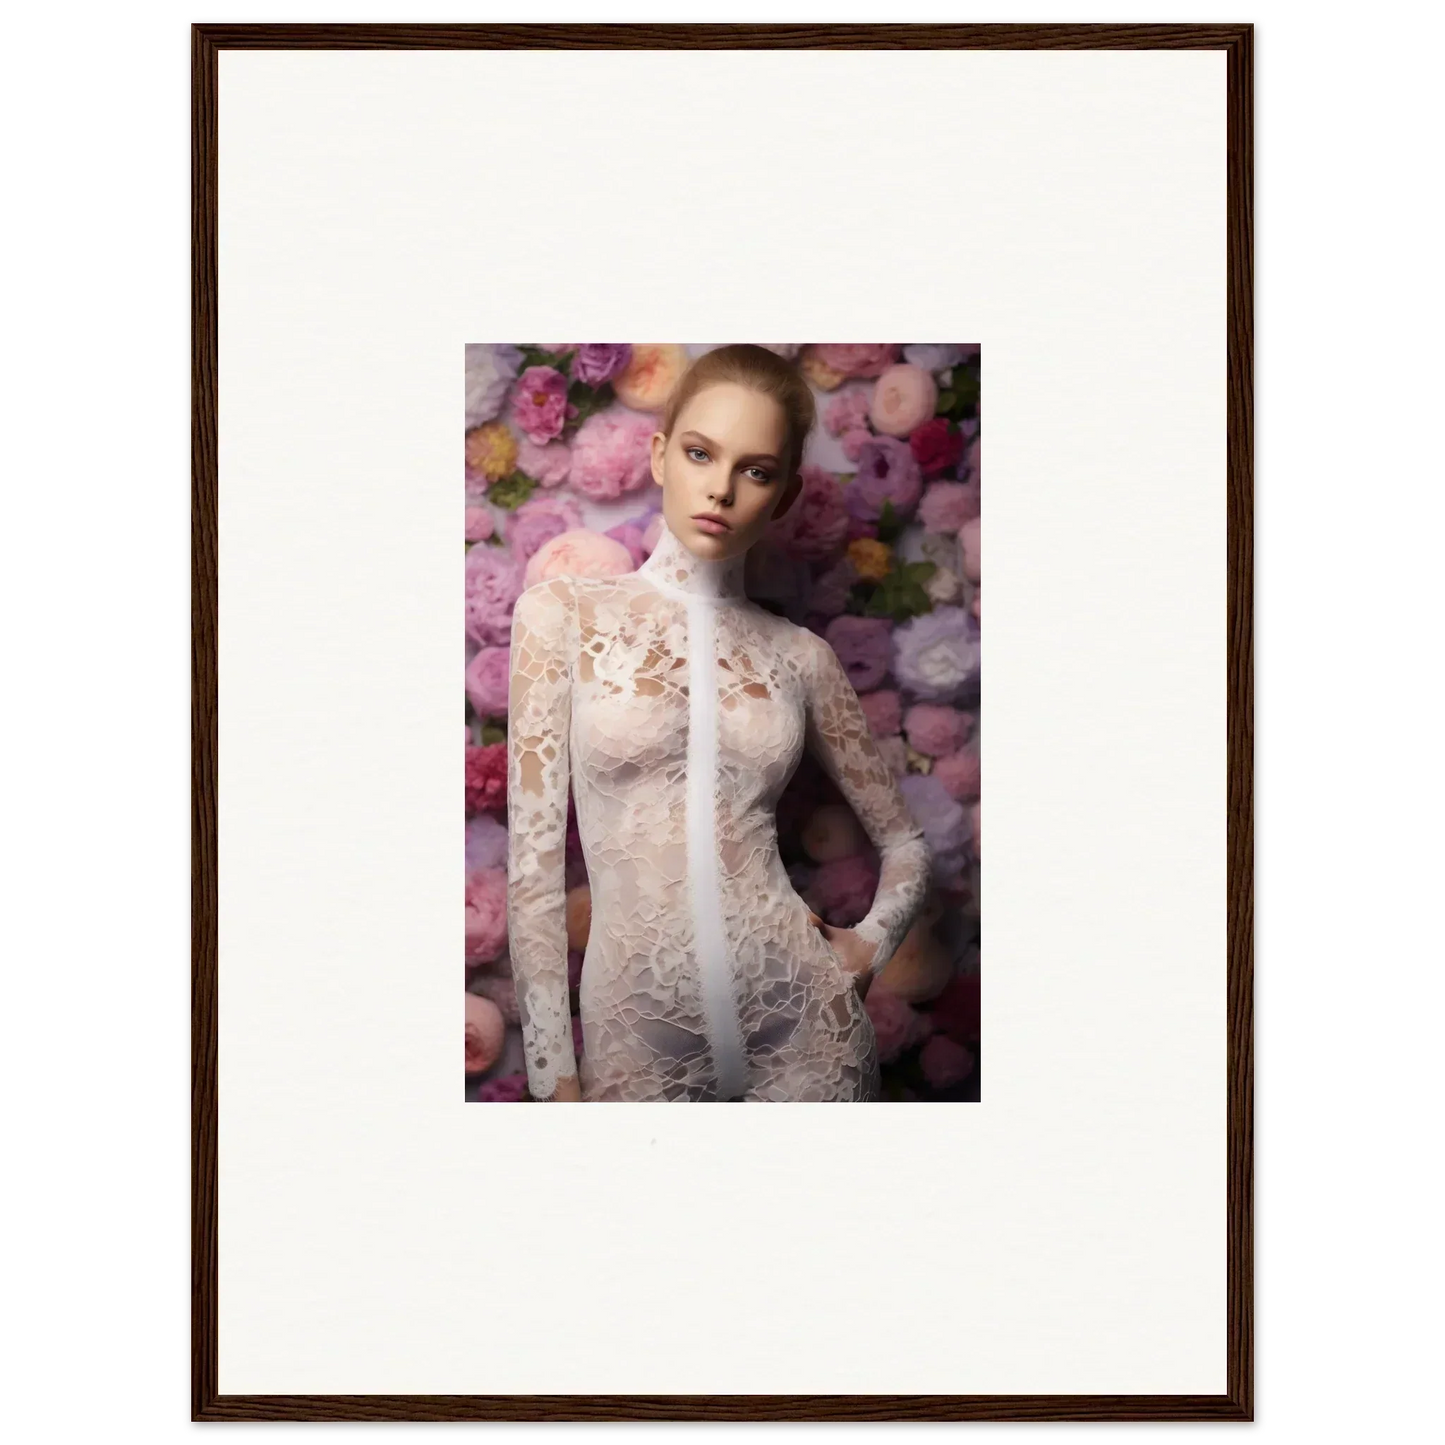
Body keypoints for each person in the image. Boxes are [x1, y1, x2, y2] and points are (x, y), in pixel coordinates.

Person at [506, 344, 931, 1102]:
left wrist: (868, 944)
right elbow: (533, 872)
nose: (723, 488)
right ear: (661, 454)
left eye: (756, 470)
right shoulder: (562, 616)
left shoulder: (802, 657)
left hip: (805, 1020)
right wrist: (551, 1077)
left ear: (786, 493)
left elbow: (906, 841)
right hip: (637, 1034)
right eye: (702, 453)